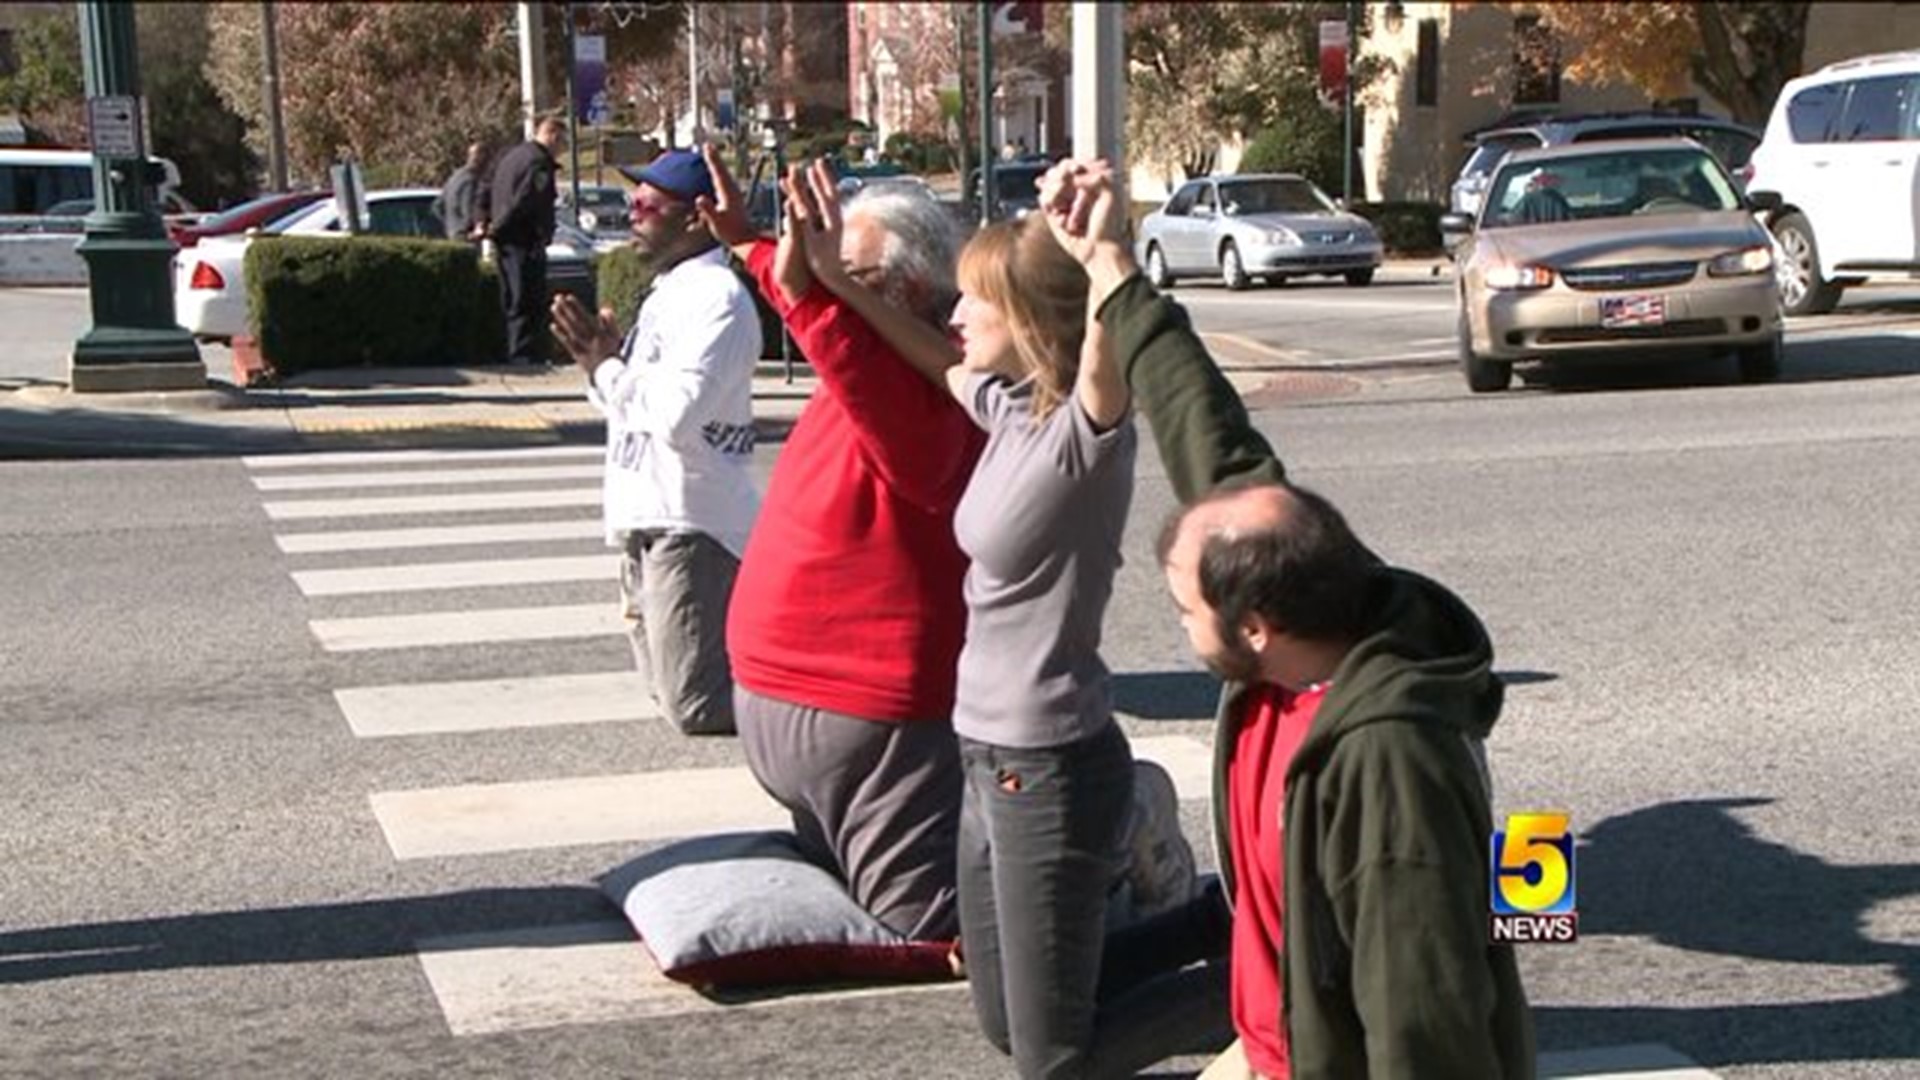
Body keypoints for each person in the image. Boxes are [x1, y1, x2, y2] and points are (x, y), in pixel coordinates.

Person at [1041, 157, 1536, 1079]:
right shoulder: (1310, 598)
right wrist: (1108, 262)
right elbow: (1212, 437)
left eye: (1188, 608)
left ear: (1257, 623)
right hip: (1270, 1048)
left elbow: (1425, 1018)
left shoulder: (1391, 764)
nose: (1180, 627)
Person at [779, 154, 1211, 1078]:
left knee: (1053, 1057)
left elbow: (1106, 344)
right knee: (1005, 1015)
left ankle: (1261, 988)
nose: (956, 314)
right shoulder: (1005, 405)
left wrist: (1104, 244)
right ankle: (1224, 931)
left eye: (976, 301)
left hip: (1050, 763)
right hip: (980, 756)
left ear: (1028, 322)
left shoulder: (1087, 434)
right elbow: (924, 351)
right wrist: (825, 280)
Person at [687, 143, 982, 943]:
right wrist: (750, 241)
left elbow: (820, 322)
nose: (826, 286)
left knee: (946, 927)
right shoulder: (872, 350)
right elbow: (810, 312)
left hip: (861, 716)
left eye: (850, 273)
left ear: (913, 293)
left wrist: (807, 285)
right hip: (821, 706)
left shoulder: (950, 390)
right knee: (942, 924)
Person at [549, 149, 762, 736]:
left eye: (647, 204)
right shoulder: (672, 291)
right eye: (630, 203)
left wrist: (610, 369)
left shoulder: (715, 297)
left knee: (694, 702)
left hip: (691, 520)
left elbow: (673, 416)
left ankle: (809, 718)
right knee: (668, 694)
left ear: (695, 218)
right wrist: (602, 369)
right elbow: (628, 409)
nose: (632, 215)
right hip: (646, 512)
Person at [490, 116, 565, 366]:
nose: (562, 148)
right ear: (552, 135)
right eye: (562, 141)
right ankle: (524, 354)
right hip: (525, 240)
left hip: (506, 240)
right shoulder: (539, 163)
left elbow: (487, 187)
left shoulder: (511, 157)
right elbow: (527, 200)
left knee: (511, 298)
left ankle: (513, 350)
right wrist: (501, 225)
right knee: (527, 299)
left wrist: (491, 224)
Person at [434, 140, 488, 243]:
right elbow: (468, 212)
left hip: (451, 233)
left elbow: (437, 206)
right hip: (465, 237)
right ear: (481, 158)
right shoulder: (470, 181)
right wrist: (473, 230)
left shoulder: (454, 177)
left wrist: (450, 224)